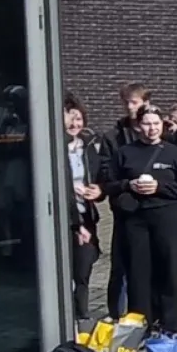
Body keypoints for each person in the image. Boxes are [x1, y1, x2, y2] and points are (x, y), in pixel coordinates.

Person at [104, 103, 177, 335]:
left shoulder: (174, 153)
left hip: (168, 218)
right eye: (147, 123)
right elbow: (110, 185)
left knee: (169, 270)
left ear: (162, 125)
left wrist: (159, 187)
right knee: (138, 273)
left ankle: (171, 323)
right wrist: (129, 185)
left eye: (156, 123)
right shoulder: (125, 153)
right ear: (138, 126)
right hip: (136, 220)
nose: (152, 128)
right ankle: (141, 325)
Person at [104, 80, 151, 316]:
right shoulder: (114, 137)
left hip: (151, 209)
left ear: (145, 103)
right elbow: (107, 172)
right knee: (120, 267)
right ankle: (117, 316)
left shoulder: (157, 132)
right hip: (124, 209)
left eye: (134, 102)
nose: (129, 107)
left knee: (145, 268)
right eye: (126, 102)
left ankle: (143, 316)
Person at [64, 95, 109, 327]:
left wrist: (98, 191)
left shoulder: (89, 146)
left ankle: (81, 315)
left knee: (84, 266)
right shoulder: (56, 149)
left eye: (79, 119)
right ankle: (72, 315)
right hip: (66, 219)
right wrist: (76, 225)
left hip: (87, 216)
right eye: (70, 120)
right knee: (68, 269)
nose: (74, 125)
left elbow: (101, 179)